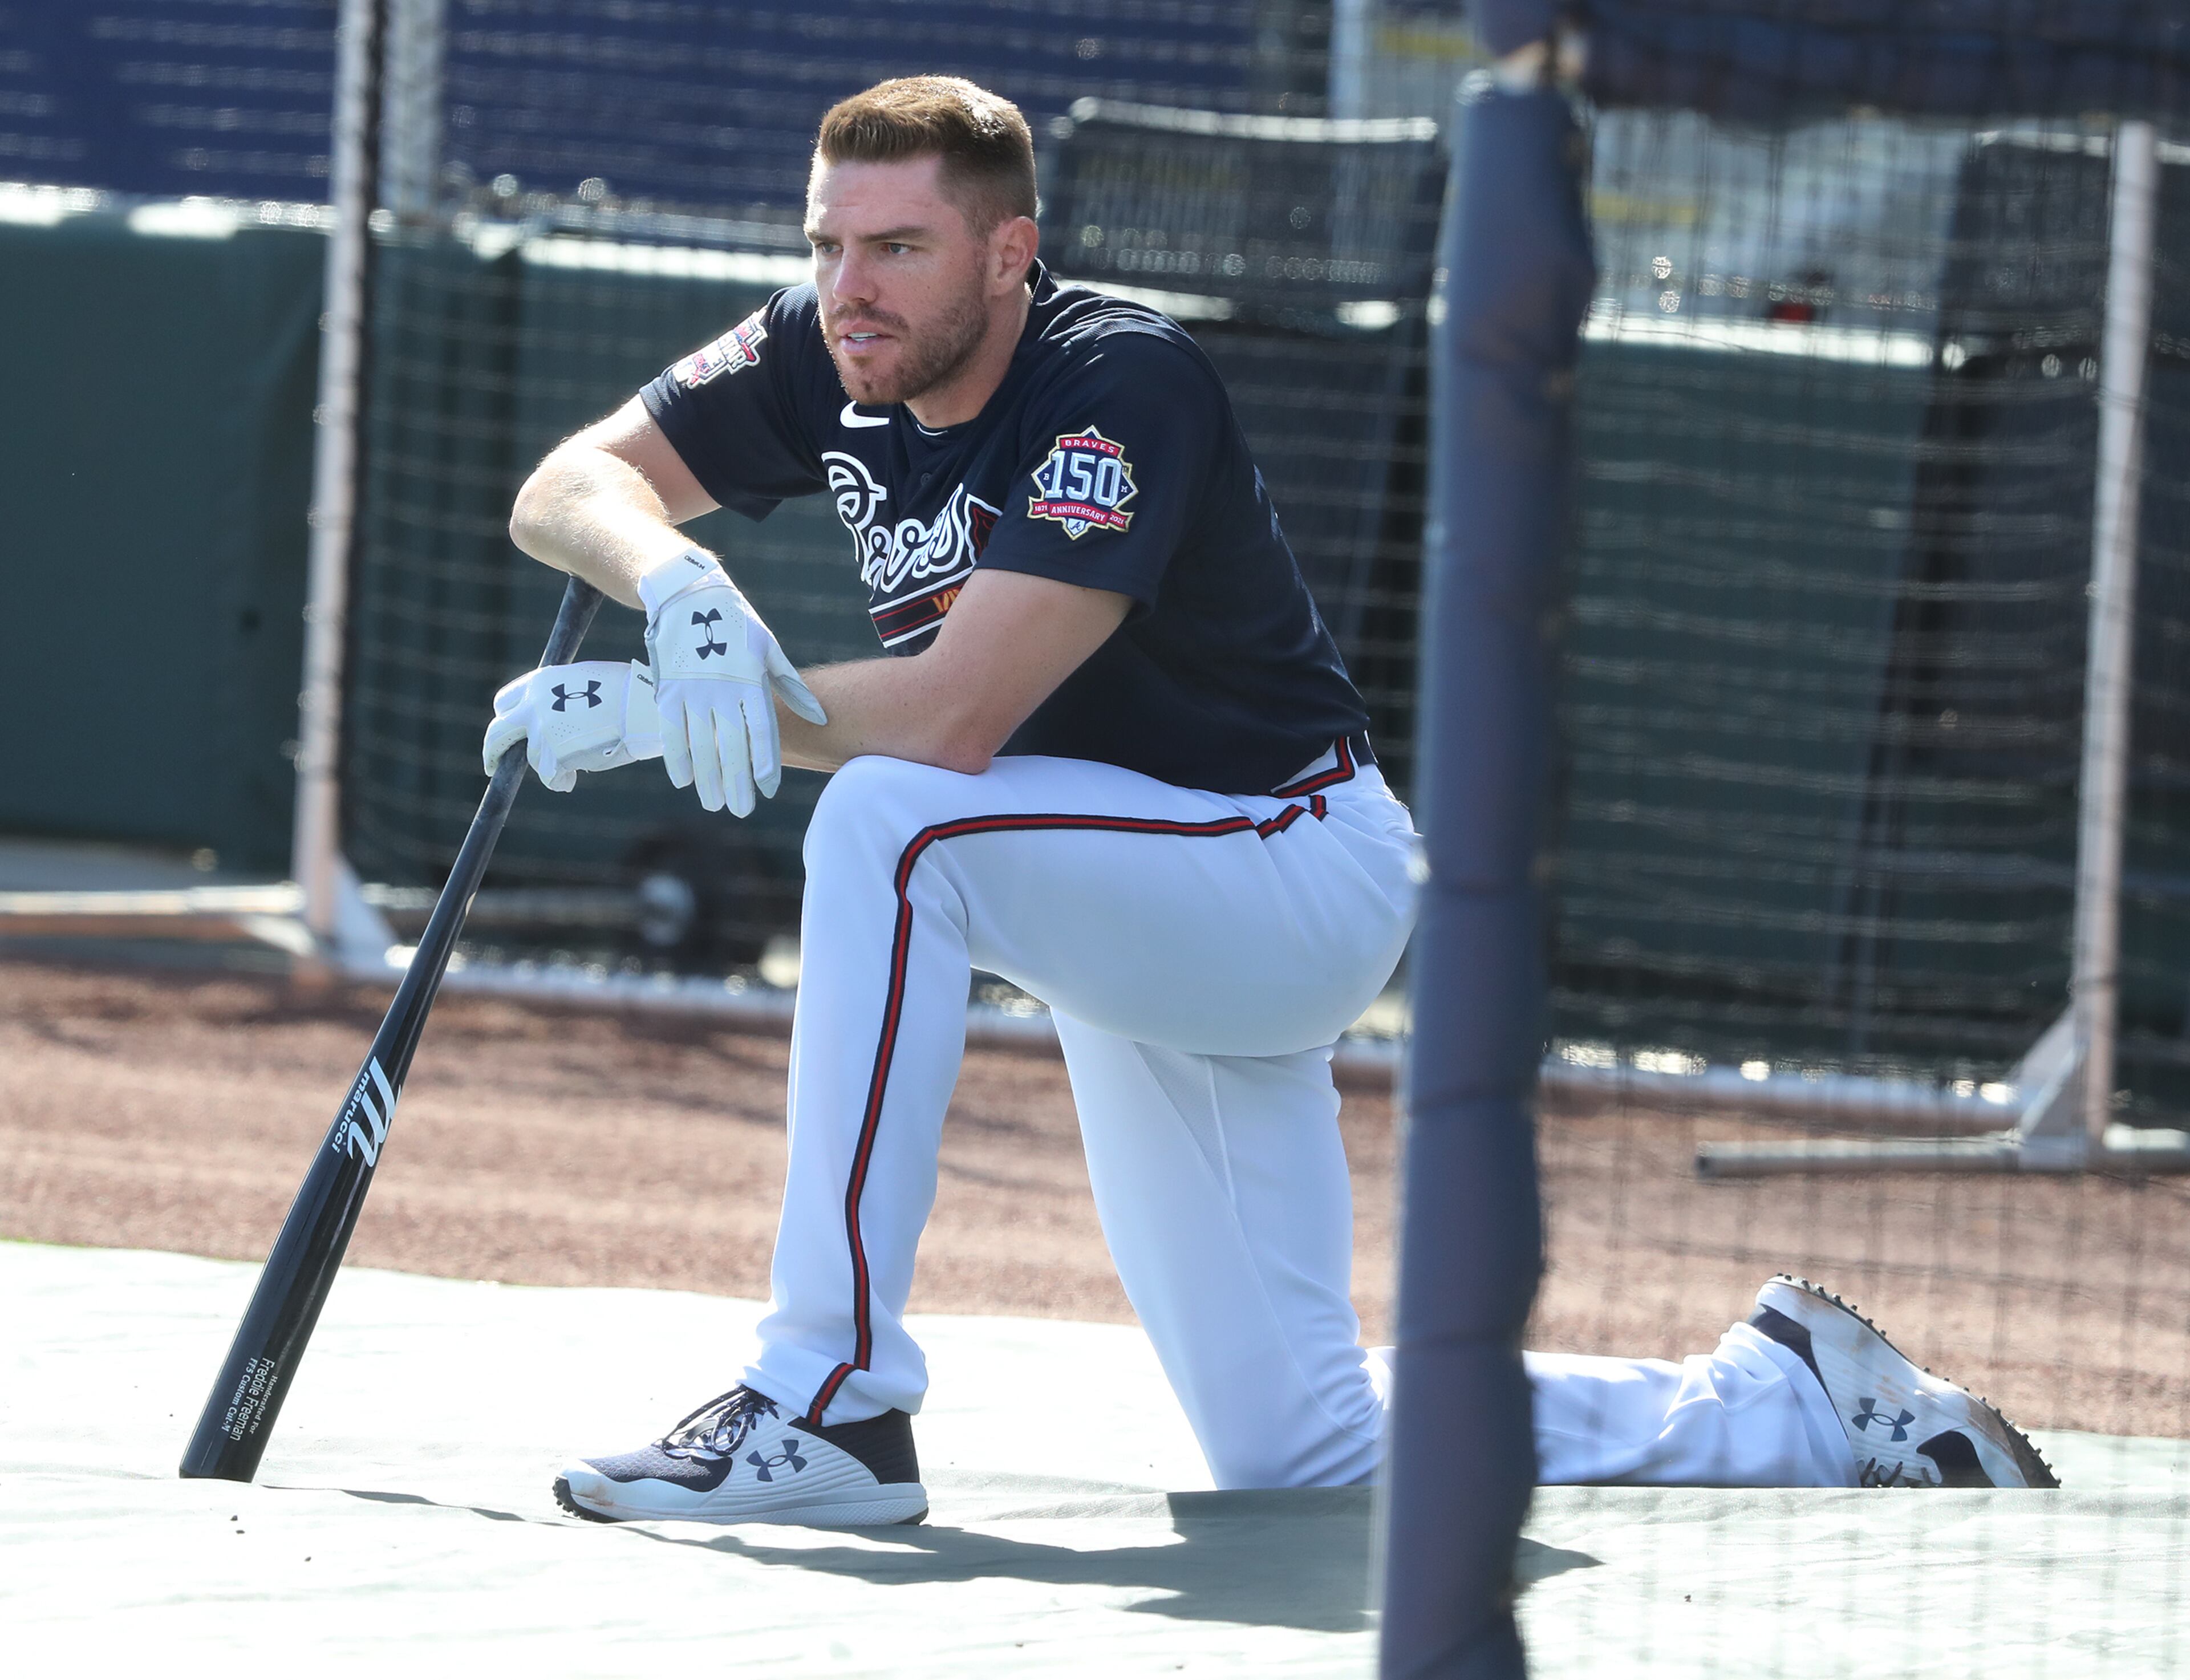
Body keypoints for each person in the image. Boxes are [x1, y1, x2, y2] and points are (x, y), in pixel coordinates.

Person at [487, 76, 2056, 1525]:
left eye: (899, 247)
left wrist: (661, 714)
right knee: (1302, 1448)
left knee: (888, 824)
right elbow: (567, 484)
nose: (852, 285)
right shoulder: (822, 349)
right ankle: (1790, 1403)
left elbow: (961, 716)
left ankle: (826, 1401)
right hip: (1132, 888)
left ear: (1009, 253)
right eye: (829, 243)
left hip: (1289, 867)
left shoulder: (1118, 379)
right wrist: (673, 576)